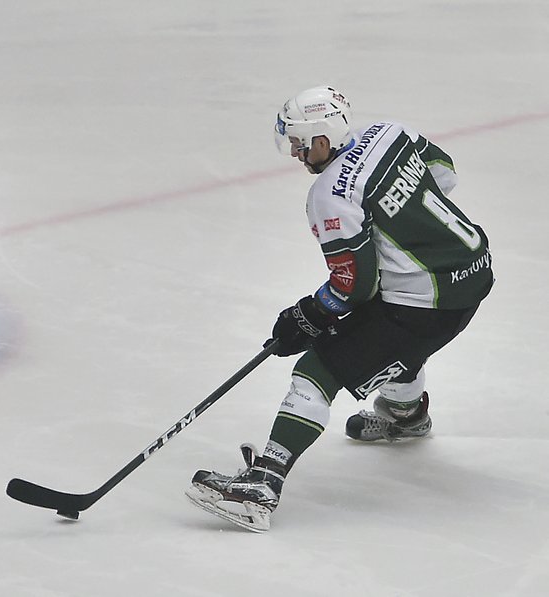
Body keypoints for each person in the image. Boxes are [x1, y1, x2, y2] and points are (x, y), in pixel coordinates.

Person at [185, 87, 493, 532]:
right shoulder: (391, 132)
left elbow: (353, 285)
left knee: (319, 369)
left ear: (322, 140)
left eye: (298, 143)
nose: (295, 152)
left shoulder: (330, 193)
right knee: (388, 337)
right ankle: (405, 416)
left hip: (429, 303)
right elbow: (443, 175)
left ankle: (262, 487)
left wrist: (308, 315)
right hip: (474, 269)